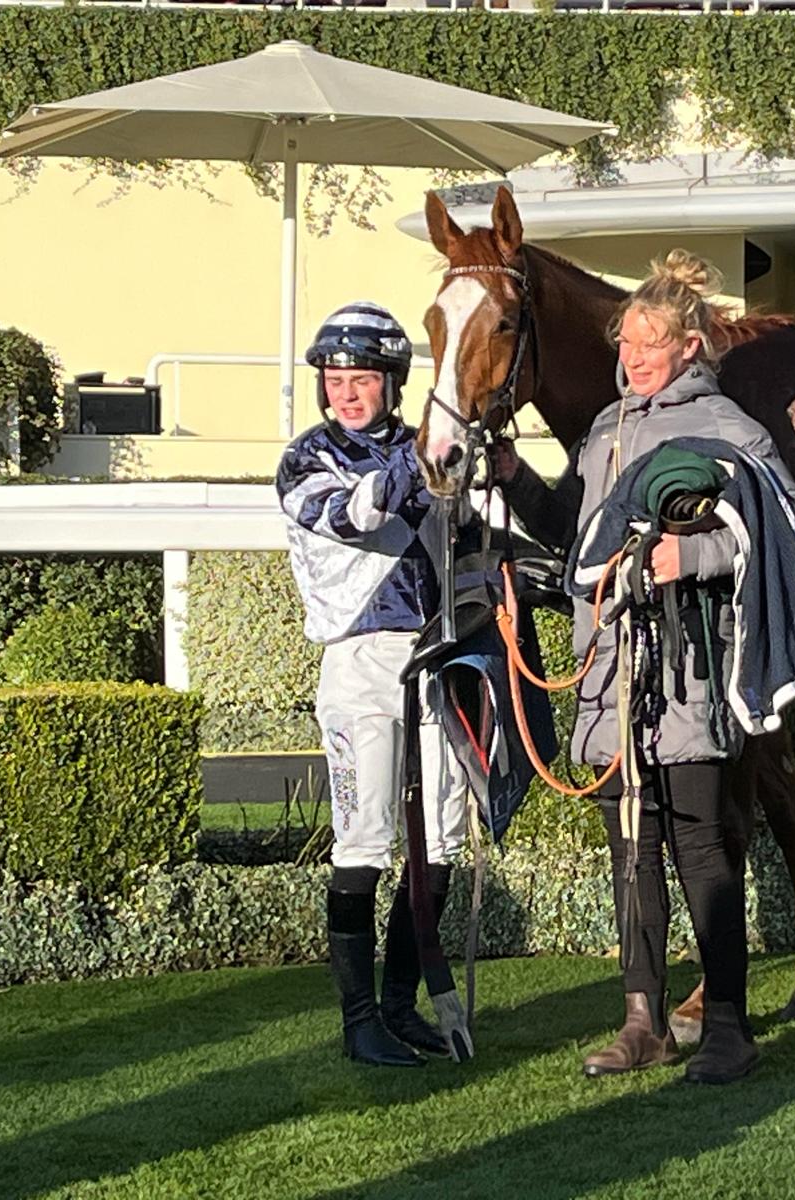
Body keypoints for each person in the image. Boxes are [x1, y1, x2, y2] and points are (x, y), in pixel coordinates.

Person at [492, 251, 795, 1086]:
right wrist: (514, 477)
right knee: (631, 849)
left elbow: (789, 524)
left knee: (703, 848)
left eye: (648, 346)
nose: (631, 361)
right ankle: (643, 1022)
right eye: (625, 345)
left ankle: (729, 1028)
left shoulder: (730, 429)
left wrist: (694, 554)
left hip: (690, 678)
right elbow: (573, 529)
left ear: (690, 348)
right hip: (608, 678)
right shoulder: (606, 429)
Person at [276, 301, 467, 1068]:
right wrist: (426, 456)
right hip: (361, 663)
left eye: (361, 380)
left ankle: (399, 1006)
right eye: (334, 380)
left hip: (440, 659)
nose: (345, 394)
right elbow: (358, 515)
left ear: (392, 382)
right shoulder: (305, 459)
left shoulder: (434, 454)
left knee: (444, 838)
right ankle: (359, 1024)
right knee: (367, 842)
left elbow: (473, 539)